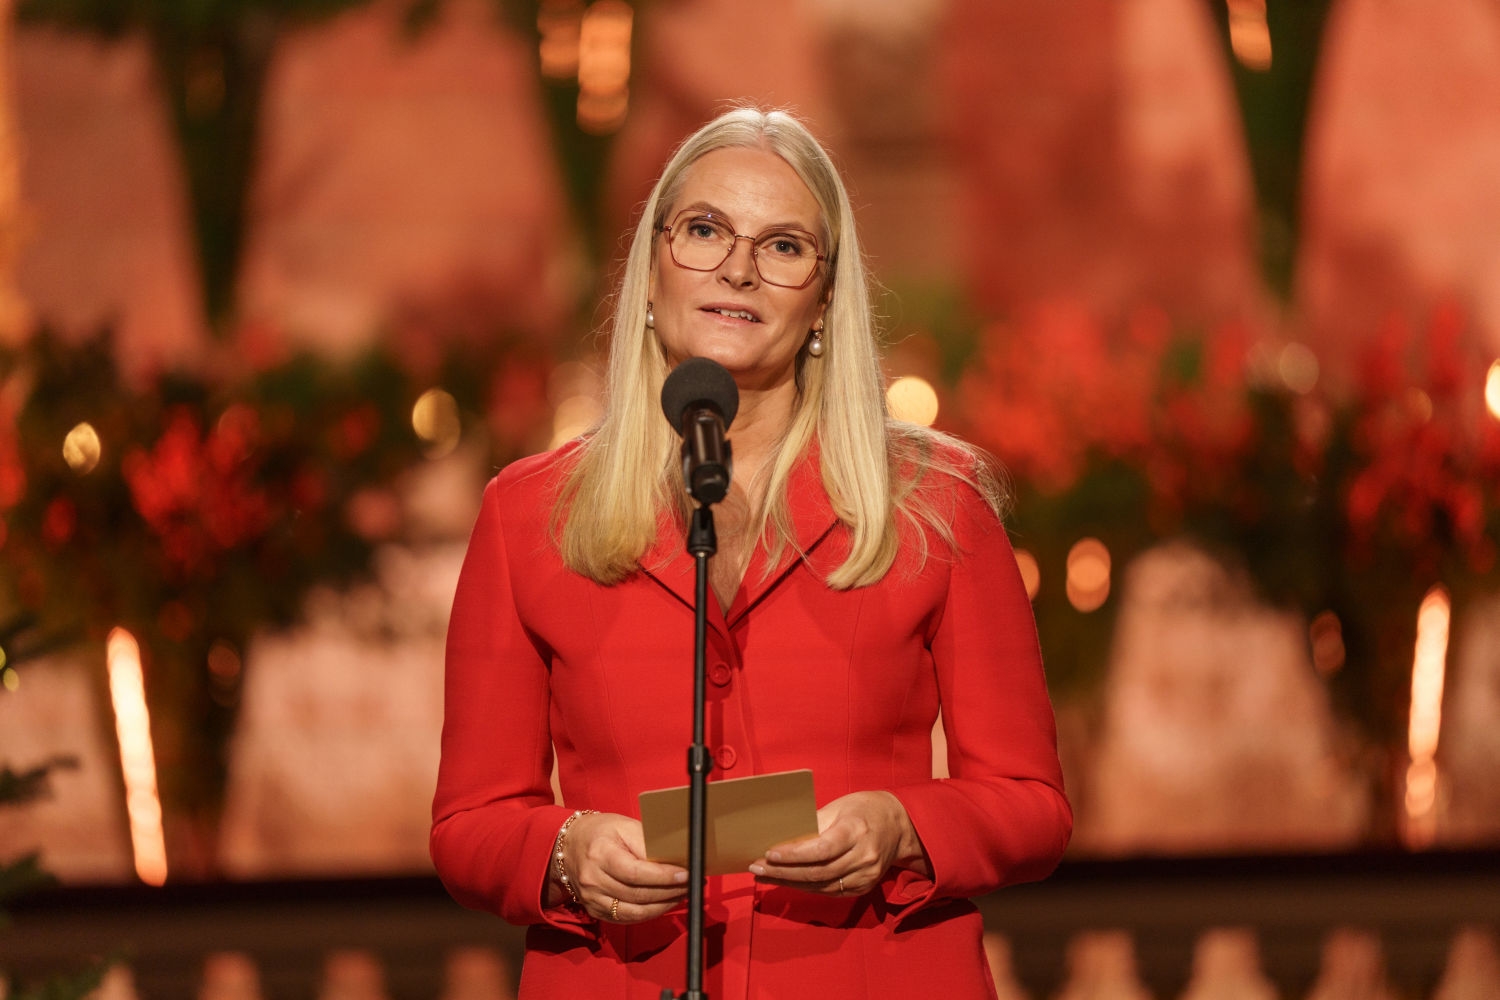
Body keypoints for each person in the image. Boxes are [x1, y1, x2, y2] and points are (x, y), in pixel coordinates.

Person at [431, 106, 1071, 999]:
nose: (738, 268)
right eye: (704, 230)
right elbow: (470, 822)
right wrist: (567, 851)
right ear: (652, 266)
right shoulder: (526, 513)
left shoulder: (936, 502)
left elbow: (1030, 801)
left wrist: (902, 827)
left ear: (825, 298)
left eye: (783, 246)